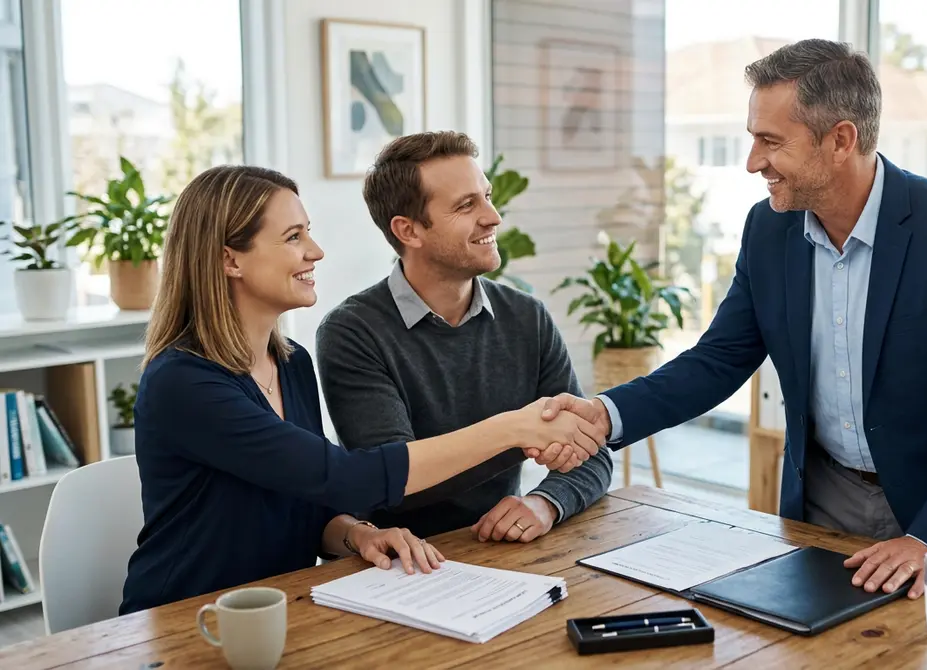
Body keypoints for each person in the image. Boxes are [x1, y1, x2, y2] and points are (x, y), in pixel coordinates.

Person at [542, 38, 927, 599]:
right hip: (823, 509)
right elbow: (719, 359)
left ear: (841, 140)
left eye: (770, 141)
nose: (753, 161)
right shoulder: (769, 229)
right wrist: (603, 415)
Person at [121, 165, 605, 614]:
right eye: (294, 237)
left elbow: (305, 501)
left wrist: (357, 535)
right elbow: (347, 477)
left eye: (308, 232)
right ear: (230, 260)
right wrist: (512, 430)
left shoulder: (290, 363)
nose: (315, 251)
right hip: (185, 618)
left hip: (280, 609)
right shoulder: (183, 382)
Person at [315, 131, 614, 543]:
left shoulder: (527, 317)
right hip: (399, 564)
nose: (493, 217)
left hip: (503, 551)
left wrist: (545, 502)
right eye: (466, 205)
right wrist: (516, 431)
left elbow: (591, 451)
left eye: (486, 196)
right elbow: (393, 484)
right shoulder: (352, 332)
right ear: (408, 230)